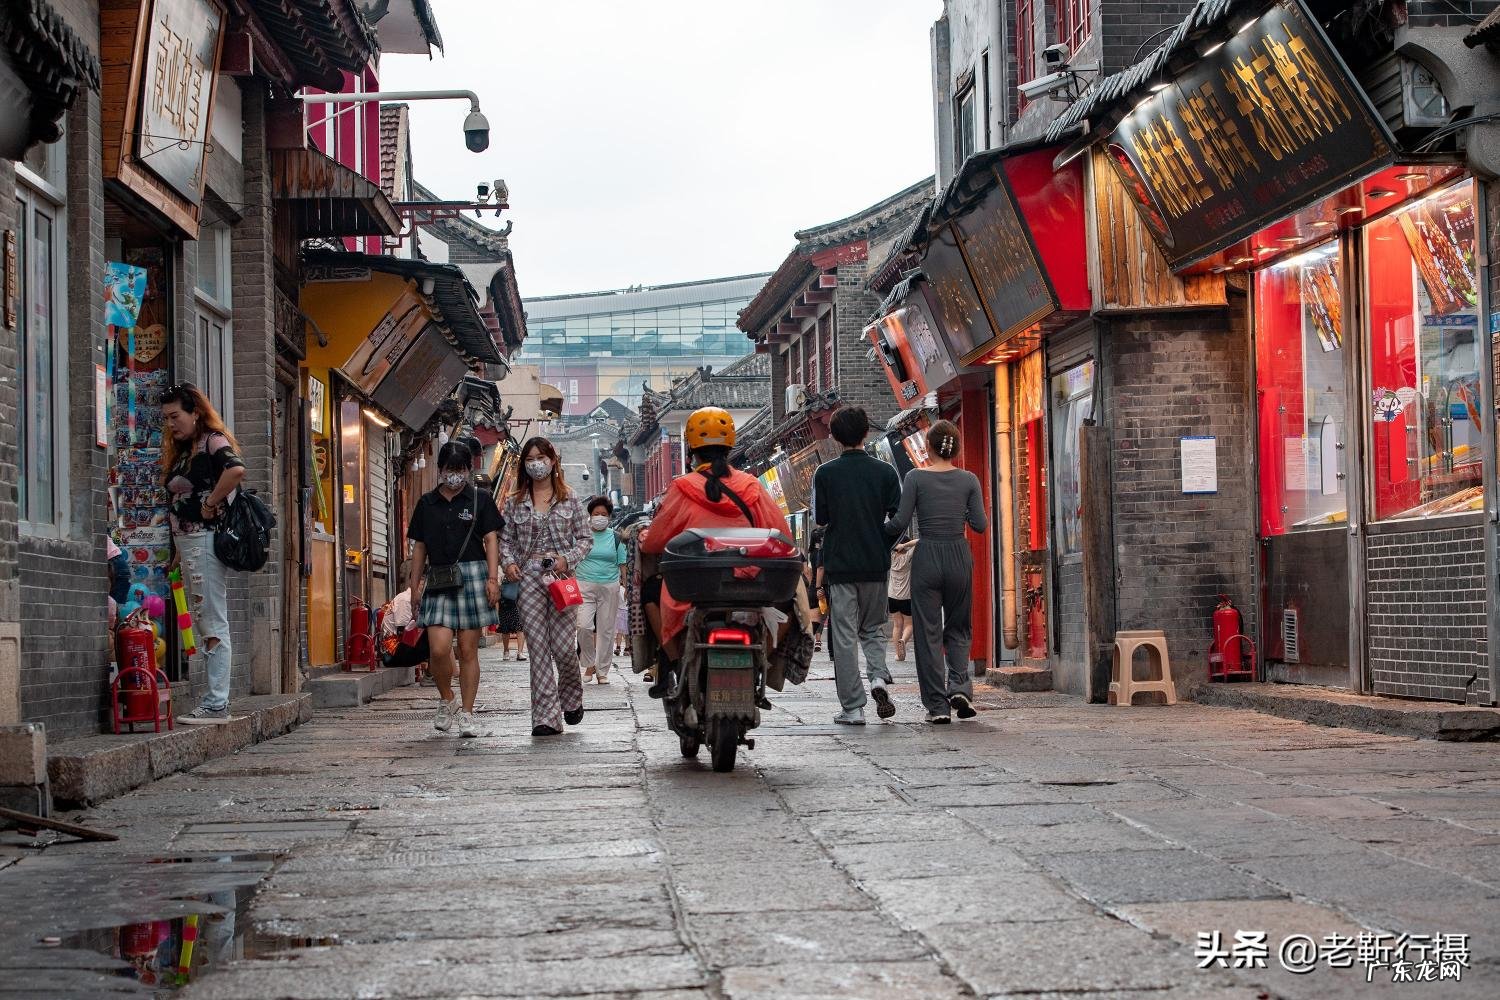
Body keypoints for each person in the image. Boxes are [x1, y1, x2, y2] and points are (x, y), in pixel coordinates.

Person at [639, 407, 792, 698]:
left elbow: (655, 542)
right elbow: (781, 534)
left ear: (691, 452)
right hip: (751, 585)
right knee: (795, 601)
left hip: (695, 588)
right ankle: (761, 661)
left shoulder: (682, 488)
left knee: (649, 592)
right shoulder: (751, 486)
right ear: (730, 447)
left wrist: (645, 539)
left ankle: (674, 662)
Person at [885, 420, 987, 724]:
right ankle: (959, 687)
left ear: (927, 447)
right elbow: (980, 525)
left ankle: (937, 706)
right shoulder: (969, 480)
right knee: (959, 626)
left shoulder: (915, 477)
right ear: (955, 448)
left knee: (927, 633)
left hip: (927, 556)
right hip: (958, 555)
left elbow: (899, 522)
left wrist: (873, 532)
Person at [161, 383, 247, 724]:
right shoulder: (185, 450)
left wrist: (211, 503)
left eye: (175, 416)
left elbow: (236, 469)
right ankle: (214, 701)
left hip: (205, 540)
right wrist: (178, 552)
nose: (171, 424)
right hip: (189, 545)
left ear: (195, 412)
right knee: (205, 618)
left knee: (212, 620)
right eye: (166, 418)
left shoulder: (212, 440)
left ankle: (216, 704)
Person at [812, 405, 902, 725]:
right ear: (866, 432)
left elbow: (820, 518)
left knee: (845, 635)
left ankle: (852, 708)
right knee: (874, 628)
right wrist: (882, 543)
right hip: (875, 564)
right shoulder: (885, 472)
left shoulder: (825, 473)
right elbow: (899, 518)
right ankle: (878, 677)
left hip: (840, 566)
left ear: (835, 437)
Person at [407, 441, 503, 738]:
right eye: (450, 468)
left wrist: (492, 579)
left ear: (468, 469)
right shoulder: (427, 503)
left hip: (473, 575)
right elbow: (420, 547)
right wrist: (414, 587)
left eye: (461, 469)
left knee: (467, 649)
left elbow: (491, 540)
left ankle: (468, 713)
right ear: (440, 470)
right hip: (438, 577)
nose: (455, 474)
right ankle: (447, 698)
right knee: (438, 649)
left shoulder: (480, 499)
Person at [500, 437, 593, 736]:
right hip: (528, 578)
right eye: (529, 459)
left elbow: (585, 539)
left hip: (562, 578)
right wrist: (508, 563)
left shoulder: (570, 498)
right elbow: (504, 540)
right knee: (538, 649)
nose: (536, 464)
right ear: (523, 465)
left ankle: (571, 697)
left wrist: (568, 559)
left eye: (541, 458)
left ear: (552, 461)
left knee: (564, 647)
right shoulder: (514, 502)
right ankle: (545, 717)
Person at [577, 496, 627, 684]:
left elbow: (622, 563)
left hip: (609, 586)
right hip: (583, 585)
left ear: (609, 517)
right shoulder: (581, 536)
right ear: (590, 515)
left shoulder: (616, 537)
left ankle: (602, 671)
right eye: (596, 514)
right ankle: (589, 663)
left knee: (606, 630)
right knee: (583, 626)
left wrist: (626, 585)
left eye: (603, 514)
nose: (599, 517)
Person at [379, 560, 431, 674]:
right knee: (434, 633)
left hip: (401, 647)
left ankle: (437, 673)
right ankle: (431, 674)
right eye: (424, 581)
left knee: (438, 630)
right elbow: (403, 631)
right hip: (392, 653)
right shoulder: (405, 599)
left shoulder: (417, 599)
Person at [888, 536, 917, 661]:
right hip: (906, 596)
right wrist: (905, 546)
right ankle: (903, 640)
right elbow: (919, 541)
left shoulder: (891, 556)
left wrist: (897, 545)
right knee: (909, 624)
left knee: (897, 625)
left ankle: (898, 654)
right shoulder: (907, 557)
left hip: (892, 596)